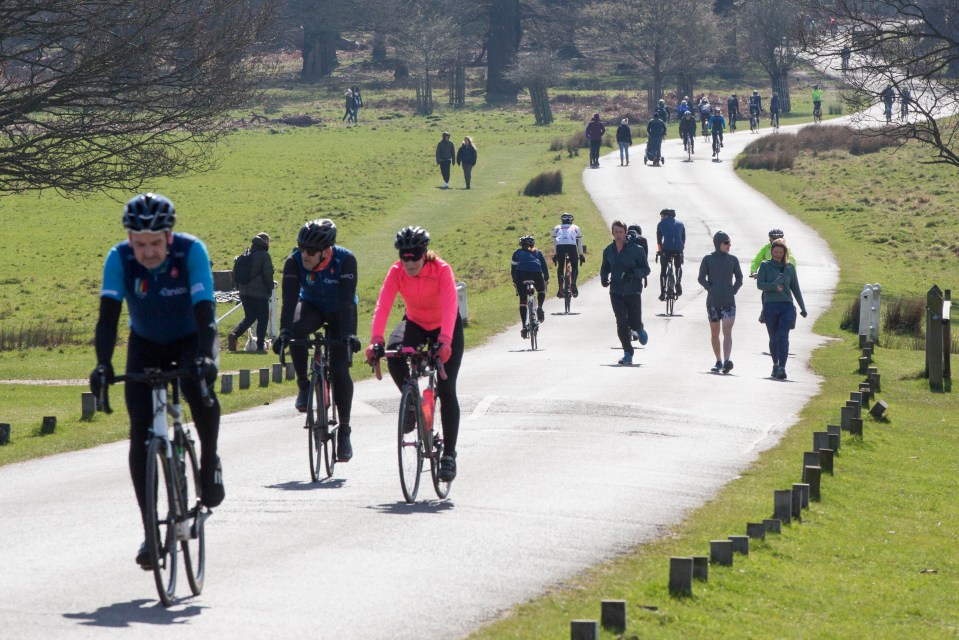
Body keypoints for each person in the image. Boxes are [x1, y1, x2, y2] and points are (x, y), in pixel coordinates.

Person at [90, 193, 224, 570]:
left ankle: (209, 461)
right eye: (140, 244)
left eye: (155, 243)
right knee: (140, 432)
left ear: (169, 236)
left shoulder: (190, 252)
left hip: (189, 338)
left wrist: (205, 359)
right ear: (130, 239)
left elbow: (206, 314)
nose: (148, 253)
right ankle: (151, 529)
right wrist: (102, 364)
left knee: (200, 393)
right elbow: (107, 319)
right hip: (145, 343)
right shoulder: (119, 259)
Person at [365, 226, 464, 481]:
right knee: (394, 355)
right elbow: (383, 304)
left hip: (446, 327)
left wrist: (445, 341)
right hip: (416, 323)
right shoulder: (397, 272)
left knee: (446, 386)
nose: (408, 262)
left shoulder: (440, 269)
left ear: (424, 254)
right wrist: (376, 340)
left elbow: (452, 306)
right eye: (404, 257)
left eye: (414, 257)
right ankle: (411, 403)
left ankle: (449, 455)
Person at [273, 219, 359, 460]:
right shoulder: (294, 262)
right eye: (301, 248)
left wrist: (349, 335)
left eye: (310, 251)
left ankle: (344, 431)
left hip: (340, 311)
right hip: (311, 306)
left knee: (340, 370)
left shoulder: (345, 260)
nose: (305, 254)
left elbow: (346, 302)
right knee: (296, 331)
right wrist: (284, 333)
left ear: (326, 250)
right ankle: (303, 384)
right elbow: (289, 303)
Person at [601, 220, 651, 365]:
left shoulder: (637, 249)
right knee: (621, 322)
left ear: (625, 232)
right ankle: (627, 353)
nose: (618, 235)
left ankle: (638, 328)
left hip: (633, 291)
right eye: (615, 232)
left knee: (634, 322)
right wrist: (604, 278)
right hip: (616, 292)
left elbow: (646, 269)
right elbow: (605, 268)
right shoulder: (608, 250)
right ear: (612, 233)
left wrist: (633, 274)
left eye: (620, 232)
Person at [757, 239, 808, 380]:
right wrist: (774, 286)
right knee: (773, 338)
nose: (778, 254)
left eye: (780, 252)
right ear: (771, 252)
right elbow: (760, 285)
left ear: (784, 253)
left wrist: (803, 307)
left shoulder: (789, 268)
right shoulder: (765, 266)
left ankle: (782, 367)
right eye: (775, 251)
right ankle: (775, 364)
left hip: (786, 306)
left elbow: (796, 289)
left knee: (783, 336)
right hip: (770, 306)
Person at [698, 231, 743, 374]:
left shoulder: (733, 260)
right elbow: (701, 278)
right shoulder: (708, 259)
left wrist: (733, 289)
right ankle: (718, 360)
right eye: (726, 243)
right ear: (718, 244)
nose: (729, 245)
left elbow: (740, 277)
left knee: (727, 331)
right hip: (713, 302)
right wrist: (710, 288)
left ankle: (727, 360)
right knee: (715, 332)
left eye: (729, 242)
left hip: (729, 301)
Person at [228, 232, 274, 353]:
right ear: (266, 242)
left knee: (250, 317)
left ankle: (234, 335)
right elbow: (268, 274)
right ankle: (260, 346)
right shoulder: (264, 255)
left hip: (244, 292)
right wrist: (270, 288)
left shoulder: (245, 253)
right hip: (259, 293)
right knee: (263, 318)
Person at [511, 235, 549, 337]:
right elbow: (544, 267)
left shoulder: (517, 253)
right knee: (541, 290)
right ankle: (540, 307)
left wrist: (515, 281)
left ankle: (524, 326)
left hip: (521, 275)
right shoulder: (538, 252)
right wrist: (546, 279)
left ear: (521, 245)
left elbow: (513, 269)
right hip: (536, 275)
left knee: (523, 299)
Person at [552, 212, 586, 297]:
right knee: (574, 266)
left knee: (560, 266)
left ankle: (560, 286)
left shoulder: (556, 228)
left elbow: (555, 243)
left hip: (560, 247)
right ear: (571, 221)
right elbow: (579, 243)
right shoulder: (576, 227)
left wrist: (555, 254)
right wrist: (581, 255)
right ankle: (573, 283)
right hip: (571, 246)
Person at [655, 208, 685, 300]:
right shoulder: (681, 224)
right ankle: (678, 283)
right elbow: (683, 240)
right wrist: (681, 251)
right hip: (678, 249)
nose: (661, 218)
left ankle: (663, 292)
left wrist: (660, 251)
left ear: (666, 215)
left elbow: (659, 241)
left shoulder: (660, 224)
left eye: (662, 216)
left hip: (666, 250)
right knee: (678, 266)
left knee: (663, 271)